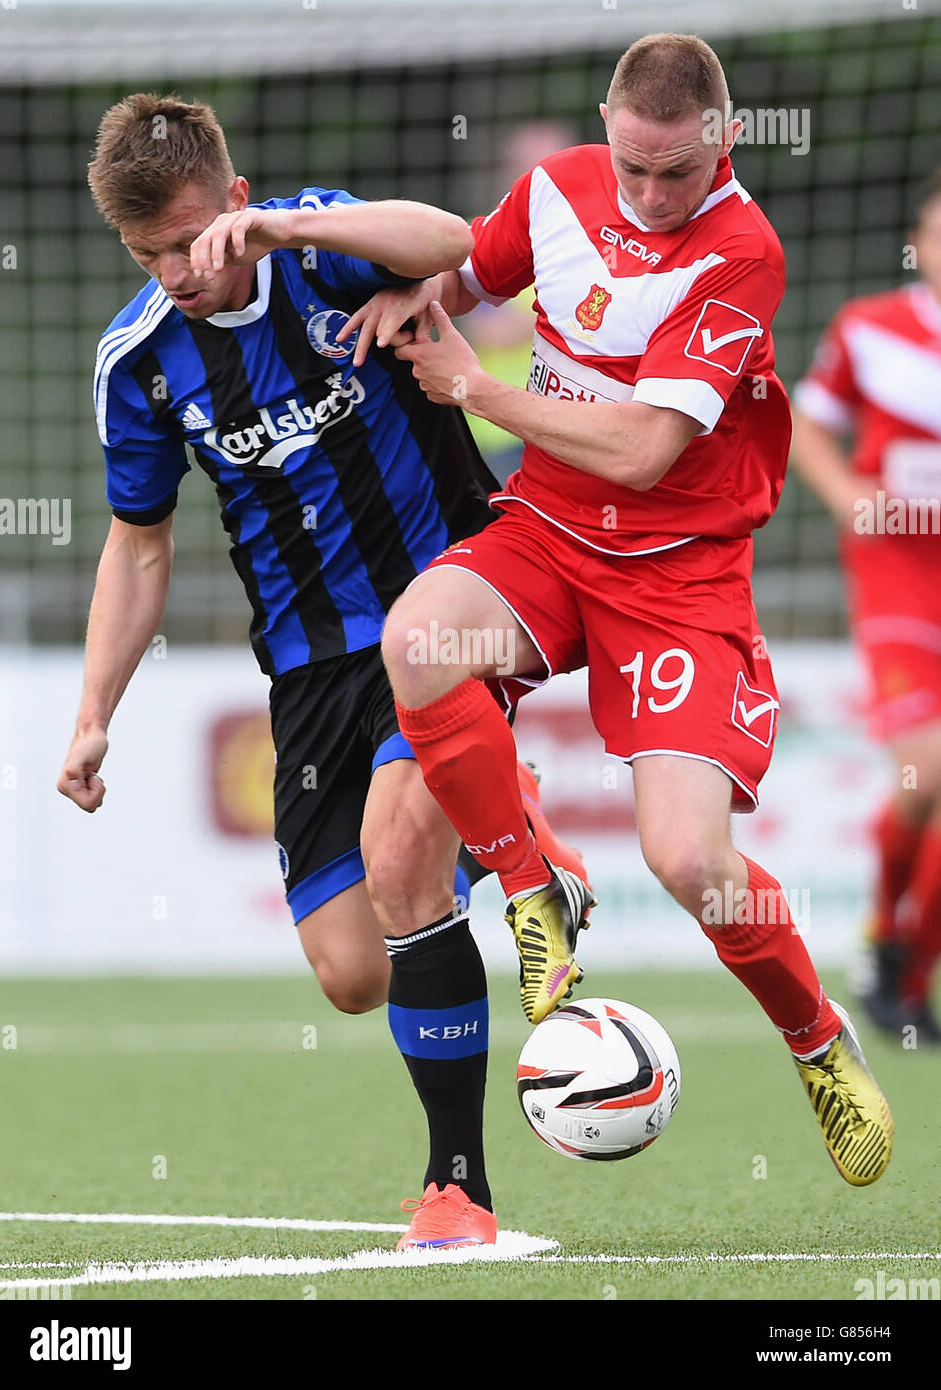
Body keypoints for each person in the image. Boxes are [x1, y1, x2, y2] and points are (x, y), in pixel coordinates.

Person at [345, 32, 894, 1185]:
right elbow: (465, 276)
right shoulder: (554, 188)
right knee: (420, 642)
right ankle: (532, 883)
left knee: (690, 857)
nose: (648, 194)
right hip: (546, 530)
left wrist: (481, 388)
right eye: (631, 165)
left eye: (675, 173)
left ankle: (814, 1036)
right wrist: (412, 295)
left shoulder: (742, 251)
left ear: (725, 142)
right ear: (605, 126)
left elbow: (646, 450)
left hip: (679, 572)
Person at [56, 92, 591, 1249]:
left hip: (449, 599)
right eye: (151, 253)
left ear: (237, 201)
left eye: (196, 237)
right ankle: (519, 824)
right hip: (307, 669)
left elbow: (460, 244)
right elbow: (138, 545)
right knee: (354, 971)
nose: (181, 269)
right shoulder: (141, 363)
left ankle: (459, 1189)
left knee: (405, 868)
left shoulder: (319, 246)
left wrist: (293, 235)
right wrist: (95, 711)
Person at [791, 170, 941, 1045]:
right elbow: (806, 420)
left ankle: (904, 974)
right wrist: (846, 490)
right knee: (927, 759)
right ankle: (886, 934)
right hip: (895, 575)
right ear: (917, 246)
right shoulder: (869, 329)